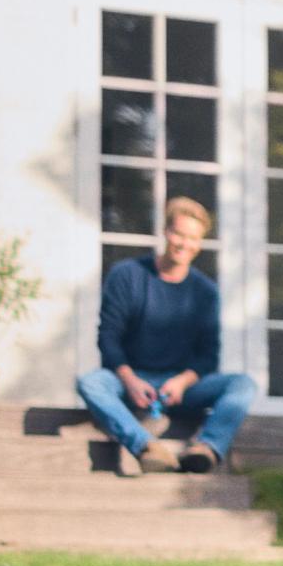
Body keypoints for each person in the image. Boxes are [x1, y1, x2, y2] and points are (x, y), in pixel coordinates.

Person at [76, 198, 257, 477]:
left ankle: (205, 449)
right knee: (90, 383)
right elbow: (108, 338)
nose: (185, 244)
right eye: (179, 234)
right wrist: (130, 380)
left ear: (200, 243)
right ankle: (147, 448)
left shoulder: (205, 292)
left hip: (180, 387)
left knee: (243, 384)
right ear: (166, 232)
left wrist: (182, 382)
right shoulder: (127, 276)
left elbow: (209, 355)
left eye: (193, 238)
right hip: (129, 380)